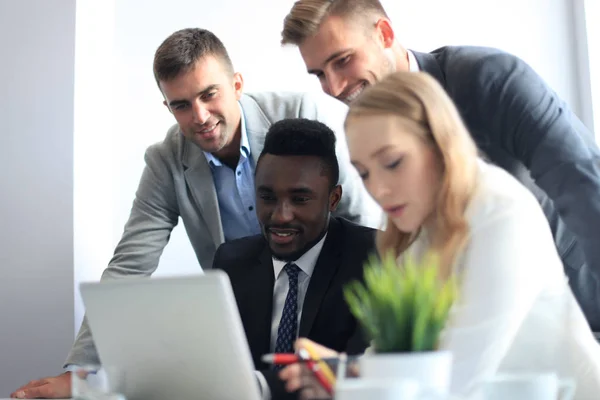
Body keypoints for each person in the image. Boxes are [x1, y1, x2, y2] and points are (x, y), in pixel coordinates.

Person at [10, 28, 381, 399]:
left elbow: (361, 228)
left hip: (325, 307)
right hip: (245, 319)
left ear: (237, 84)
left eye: (209, 94)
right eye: (181, 105)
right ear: (167, 108)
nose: (200, 116)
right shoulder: (166, 160)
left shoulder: (298, 115)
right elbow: (129, 266)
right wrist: (83, 374)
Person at [280, 0, 600, 330]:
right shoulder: (369, 131)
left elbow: (579, 178)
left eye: (343, 60)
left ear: (384, 34)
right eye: (319, 74)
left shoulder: (488, 78)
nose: (333, 87)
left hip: (581, 301)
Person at [279, 71, 600, 400]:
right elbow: (401, 359)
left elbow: (456, 379)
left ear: (439, 143)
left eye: (392, 162)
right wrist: (341, 373)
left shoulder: (501, 212)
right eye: (364, 173)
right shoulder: (416, 231)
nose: (378, 189)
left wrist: (349, 386)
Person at [212, 118, 375, 400]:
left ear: (333, 199)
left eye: (300, 199)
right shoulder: (231, 263)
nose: (281, 215)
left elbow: (363, 372)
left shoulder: (375, 257)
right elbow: (215, 367)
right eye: (267, 197)